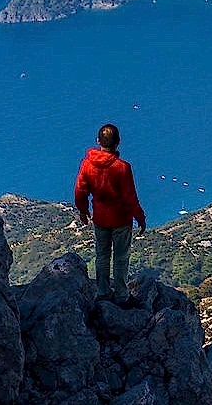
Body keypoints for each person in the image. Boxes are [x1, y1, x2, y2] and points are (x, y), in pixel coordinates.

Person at [74, 124, 146, 306]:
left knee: (102, 256)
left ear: (98, 141)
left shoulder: (87, 164)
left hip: (100, 218)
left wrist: (83, 211)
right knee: (121, 257)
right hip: (121, 219)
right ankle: (121, 295)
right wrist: (140, 217)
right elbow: (130, 197)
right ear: (118, 142)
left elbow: (80, 190)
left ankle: (103, 292)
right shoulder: (122, 168)